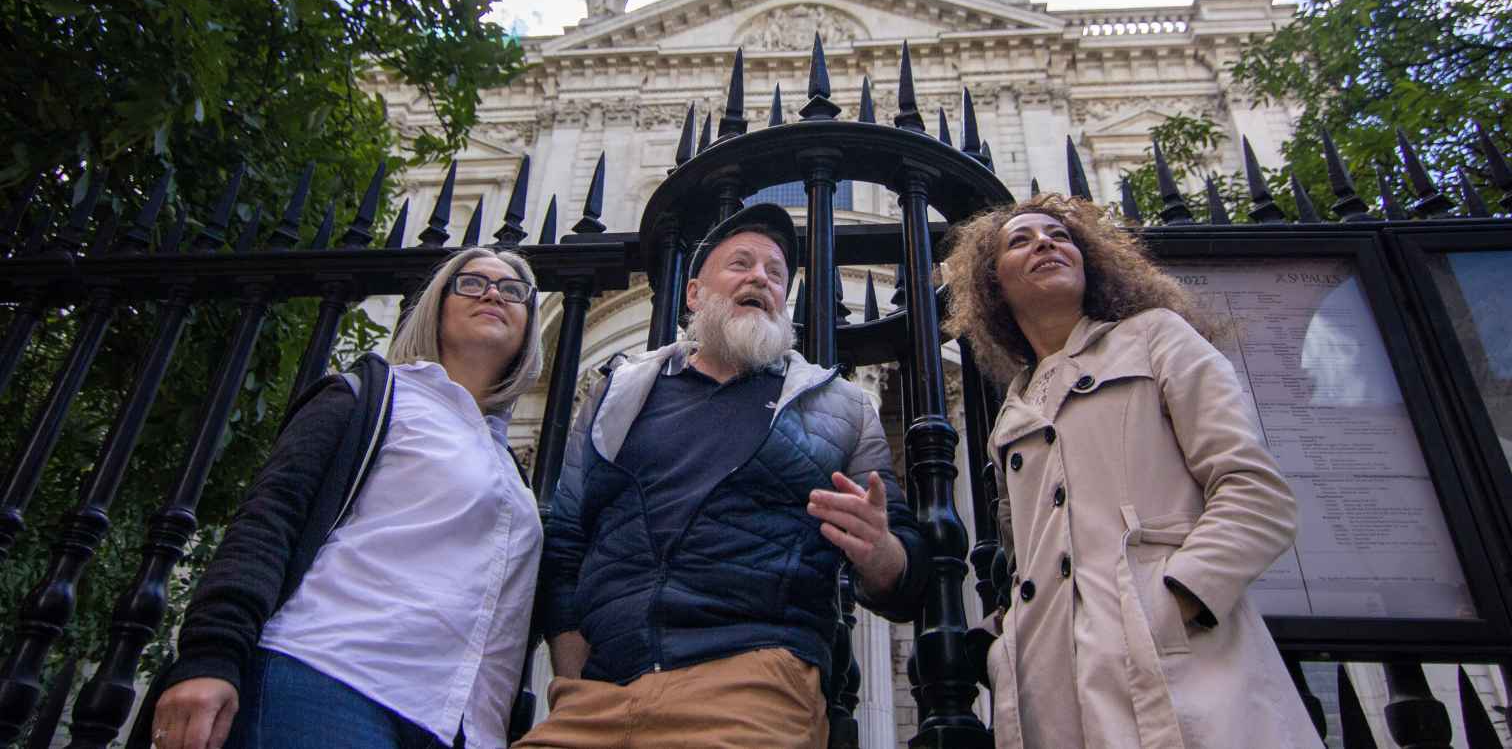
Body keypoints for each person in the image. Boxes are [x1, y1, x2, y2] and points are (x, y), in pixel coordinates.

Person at [515, 203, 928, 749]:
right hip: (598, 694)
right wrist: (572, 673)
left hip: (752, 685)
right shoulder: (616, 395)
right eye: (740, 263)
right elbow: (567, 539)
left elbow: (905, 574)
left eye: (776, 273)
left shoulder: (843, 407)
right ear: (693, 294)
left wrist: (880, 552)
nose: (760, 278)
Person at [942, 195, 1320, 749]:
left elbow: (1255, 492)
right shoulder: (1013, 409)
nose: (1045, 242)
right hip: (1051, 679)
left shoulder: (1156, 336)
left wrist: (1177, 598)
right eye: (1019, 241)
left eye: (1059, 236)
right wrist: (1007, 643)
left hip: (1172, 660)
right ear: (992, 285)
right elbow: (1026, 554)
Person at [147, 247, 546, 749]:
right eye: (471, 283)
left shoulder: (506, 463)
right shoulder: (371, 395)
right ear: (437, 306)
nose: (492, 294)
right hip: (331, 680)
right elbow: (270, 518)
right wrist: (211, 655)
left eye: (512, 291)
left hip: (461, 724)